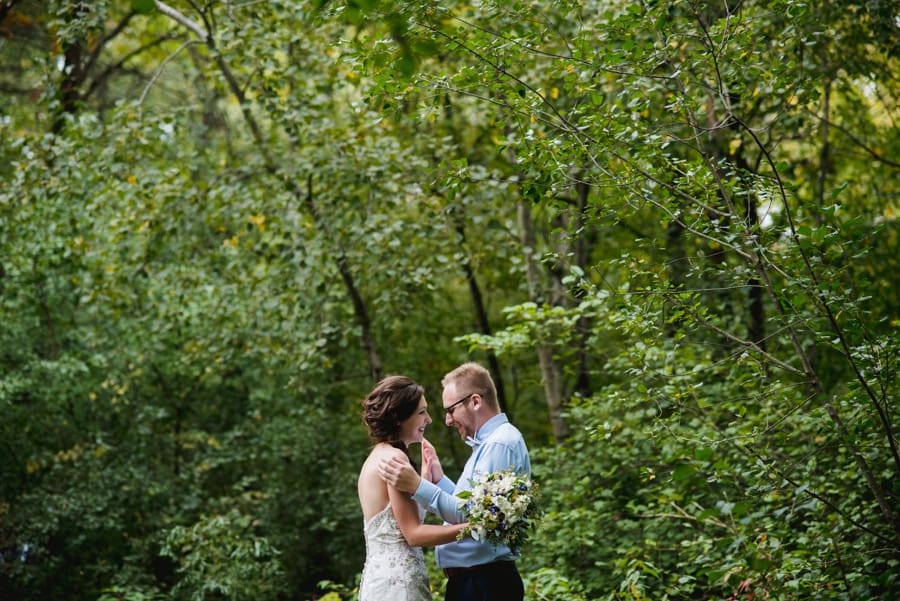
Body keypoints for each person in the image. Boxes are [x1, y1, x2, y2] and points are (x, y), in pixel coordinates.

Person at [378, 362, 532, 601]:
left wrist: (417, 486)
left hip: (485, 583)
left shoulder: (499, 444)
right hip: (477, 581)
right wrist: (439, 480)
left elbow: (471, 516)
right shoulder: (490, 444)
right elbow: (475, 507)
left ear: (475, 401)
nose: (447, 420)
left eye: (450, 410)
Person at [357, 375, 468, 601]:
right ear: (399, 417)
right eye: (421, 412)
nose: (428, 419)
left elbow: (396, 522)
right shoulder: (395, 460)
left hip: (379, 582)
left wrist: (424, 479)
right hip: (400, 586)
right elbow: (413, 534)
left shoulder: (376, 456)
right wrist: (472, 528)